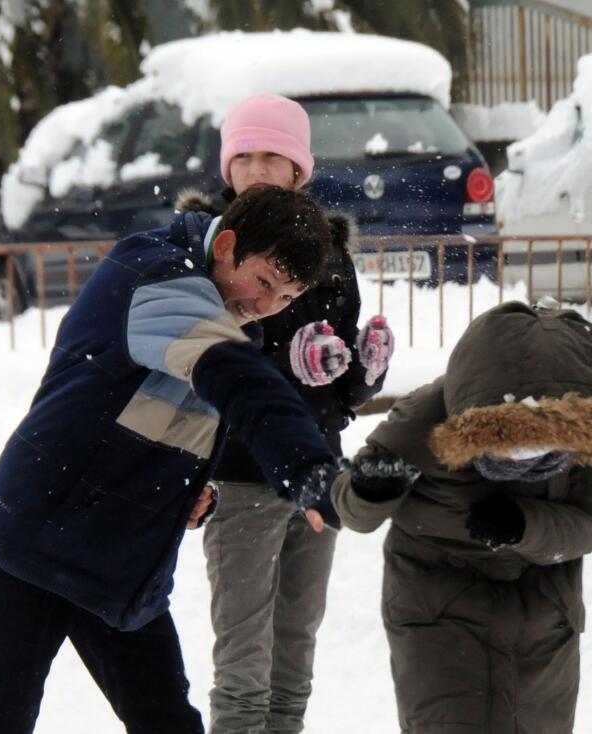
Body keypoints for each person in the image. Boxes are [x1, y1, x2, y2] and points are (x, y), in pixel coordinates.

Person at [0, 184, 342, 734]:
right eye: (264, 282)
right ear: (225, 245)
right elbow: (235, 381)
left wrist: (189, 494)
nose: (268, 305)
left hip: (120, 562)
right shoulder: (159, 276)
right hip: (39, 540)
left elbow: (164, 420)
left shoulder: (223, 314)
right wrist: (303, 463)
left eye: (286, 297)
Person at [178, 94, 392, 734]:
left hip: (318, 475)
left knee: (296, 651)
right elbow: (203, 362)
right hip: (240, 474)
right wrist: (282, 358)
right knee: (243, 662)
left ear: (301, 168)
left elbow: (339, 389)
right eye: (244, 156)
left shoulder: (329, 255)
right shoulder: (211, 250)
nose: (257, 168)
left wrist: (361, 369)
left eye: (273, 155)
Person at [331, 301, 592, 734]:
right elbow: (351, 512)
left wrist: (525, 523)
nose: (528, 456)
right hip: (439, 618)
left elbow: (588, 524)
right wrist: (369, 490)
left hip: (542, 622)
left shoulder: (585, 428)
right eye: (513, 438)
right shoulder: (424, 416)